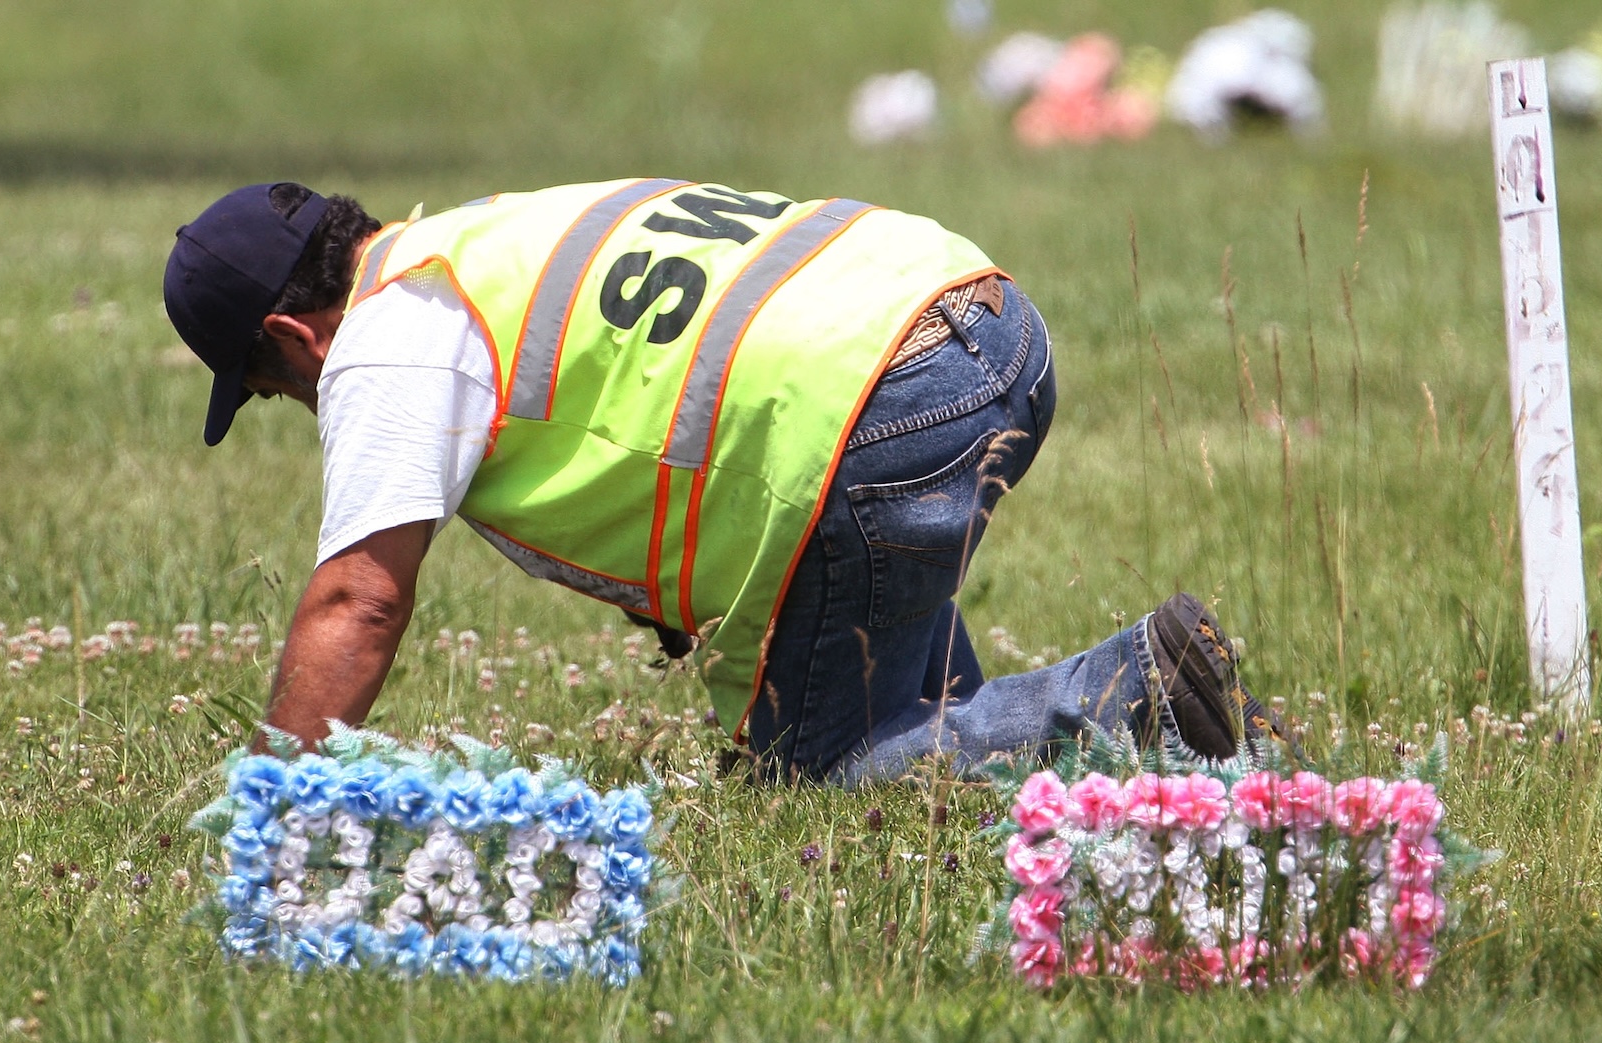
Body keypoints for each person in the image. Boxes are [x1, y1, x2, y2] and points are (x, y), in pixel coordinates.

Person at [163, 178, 1278, 783]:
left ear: (289, 336)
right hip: (982, 317)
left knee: (827, 772)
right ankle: (1215, 757)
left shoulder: (386, 336)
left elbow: (361, 595)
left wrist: (278, 805)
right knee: (909, 702)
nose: (300, 406)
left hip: (873, 401)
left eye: (270, 389)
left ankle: (1130, 689)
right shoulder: (478, 235)